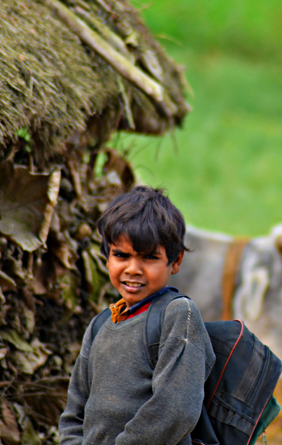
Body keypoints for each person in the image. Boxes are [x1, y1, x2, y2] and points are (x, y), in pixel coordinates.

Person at [59, 186, 215, 445]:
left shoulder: (177, 314)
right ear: (106, 257)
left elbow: (175, 410)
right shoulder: (100, 325)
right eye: (121, 255)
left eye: (149, 257)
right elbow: (74, 414)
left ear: (175, 262)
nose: (133, 269)